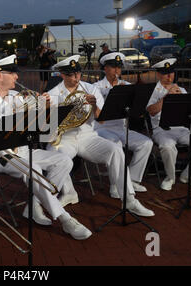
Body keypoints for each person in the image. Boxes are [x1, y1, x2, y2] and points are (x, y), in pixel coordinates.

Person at [0, 54, 92, 241]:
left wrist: (45, 105)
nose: (17, 77)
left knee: (63, 161)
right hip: (1, 155)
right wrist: (6, 125)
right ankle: (65, 219)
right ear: (0, 76)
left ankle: (34, 205)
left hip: (23, 150)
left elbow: (40, 122)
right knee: (34, 170)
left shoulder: (16, 96)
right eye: (12, 73)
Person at [46, 55, 154, 217]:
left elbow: (101, 120)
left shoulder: (91, 88)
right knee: (57, 157)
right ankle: (68, 192)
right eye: (71, 75)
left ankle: (129, 199)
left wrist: (95, 105)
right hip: (65, 138)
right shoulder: (53, 93)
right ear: (62, 75)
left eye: (78, 73)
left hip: (87, 136)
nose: (76, 78)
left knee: (116, 151)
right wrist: (46, 108)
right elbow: (46, 126)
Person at [146, 58, 191, 191]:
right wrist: (167, 97)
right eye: (166, 73)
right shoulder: (152, 90)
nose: (169, 76)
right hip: (161, 129)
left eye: (171, 72)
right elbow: (152, 111)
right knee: (167, 146)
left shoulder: (181, 89)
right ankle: (170, 178)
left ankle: (190, 175)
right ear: (159, 74)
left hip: (181, 128)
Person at [93, 52, 153, 197]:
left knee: (146, 143)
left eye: (119, 68)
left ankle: (131, 180)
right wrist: (112, 93)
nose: (117, 71)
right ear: (105, 68)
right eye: (113, 67)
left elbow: (138, 109)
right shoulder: (96, 87)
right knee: (116, 145)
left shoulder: (127, 86)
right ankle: (115, 185)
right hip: (101, 128)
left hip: (121, 127)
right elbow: (98, 117)